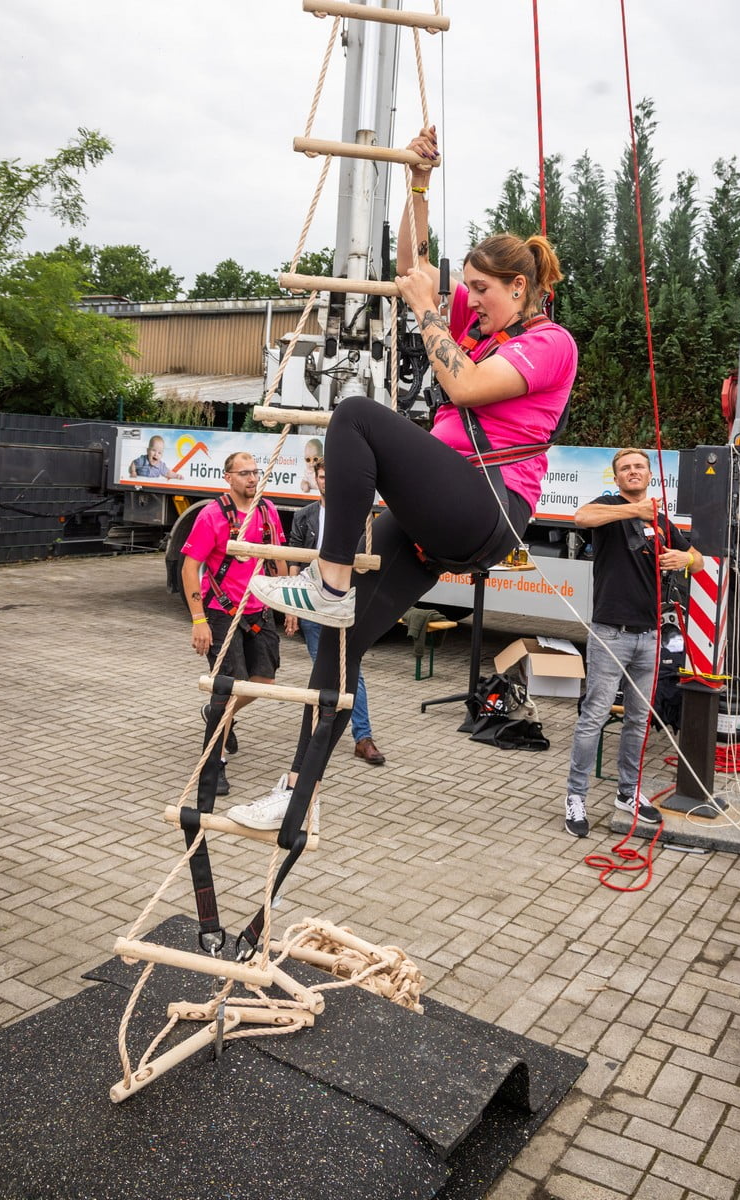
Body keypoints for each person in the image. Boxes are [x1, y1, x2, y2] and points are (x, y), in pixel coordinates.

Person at [227, 122, 578, 831]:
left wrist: (424, 311)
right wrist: (419, 185)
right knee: (342, 647)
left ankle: (327, 583)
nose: (468, 298)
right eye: (466, 288)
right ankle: (297, 795)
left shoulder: (550, 342)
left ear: (520, 287)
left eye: (481, 289)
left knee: (356, 415)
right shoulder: (476, 327)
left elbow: (466, 385)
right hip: (437, 518)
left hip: (487, 505)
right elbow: (412, 266)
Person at [563, 449, 703, 838]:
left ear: (649, 474)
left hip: (651, 634)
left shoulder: (661, 521)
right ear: (617, 478)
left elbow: (698, 559)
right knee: (594, 717)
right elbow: (581, 518)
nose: (633, 471)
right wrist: (635, 511)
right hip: (611, 633)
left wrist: (684, 559)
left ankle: (628, 793)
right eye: (625, 468)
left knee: (639, 719)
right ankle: (575, 797)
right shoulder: (609, 507)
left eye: (639, 466)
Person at [180, 452, 286, 796]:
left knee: (263, 680)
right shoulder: (212, 515)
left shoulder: (268, 512)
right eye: (244, 473)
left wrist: (288, 605)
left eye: (255, 472)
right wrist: (198, 620)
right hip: (221, 611)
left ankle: (218, 715)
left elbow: (278, 558)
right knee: (227, 688)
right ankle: (215, 764)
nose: (252, 478)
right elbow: (189, 568)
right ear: (227, 477)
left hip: (258, 610)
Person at [286, 459, 385, 765]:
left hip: (345, 602)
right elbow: (294, 559)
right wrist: (291, 608)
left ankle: (363, 737)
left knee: (351, 668)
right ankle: (319, 731)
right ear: (315, 479)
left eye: (332, 476)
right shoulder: (304, 516)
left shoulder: (357, 516)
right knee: (323, 669)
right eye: (322, 476)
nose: (327, 481)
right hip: (312, 602)